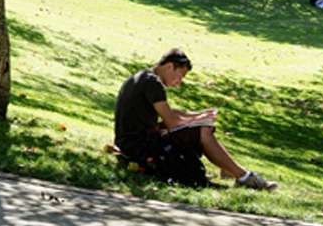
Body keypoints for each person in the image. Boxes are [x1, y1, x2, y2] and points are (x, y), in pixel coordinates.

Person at [112, 48, 278, 190]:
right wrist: (198, 120)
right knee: (202, 131)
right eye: (180, 76)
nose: (179, 83)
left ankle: (229, 169)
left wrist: (197, 115)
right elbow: (173, 123)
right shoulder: (153, 83)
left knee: (200, 125)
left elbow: (168, 111)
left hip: (129, 142)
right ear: (169, 66)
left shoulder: (144, 77)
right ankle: (244, 178)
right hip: (138, 146)